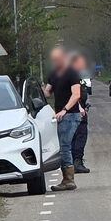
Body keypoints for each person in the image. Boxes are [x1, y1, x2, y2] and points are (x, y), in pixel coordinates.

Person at [48, 46, 83, 192]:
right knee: (63, 147)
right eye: (54, 59)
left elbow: (76, 94)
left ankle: (69, 180)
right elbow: (48, 92)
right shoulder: (54, 74)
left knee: (65, 147)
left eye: (58, 58)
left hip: (70, 115)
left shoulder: (72, 73)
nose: (56, 61)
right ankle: (67, 179)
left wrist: (65, 110)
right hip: (60, 115)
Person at [69, 52, 93, 175]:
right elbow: (74, 95)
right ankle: (77, 163)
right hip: (76, 113)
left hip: (72, 112)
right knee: (80, 137)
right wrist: (80, 108)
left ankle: (73, 163)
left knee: (74, 137)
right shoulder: (72, 77)